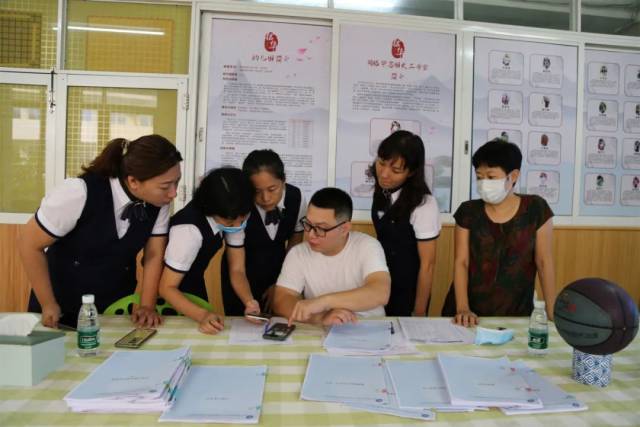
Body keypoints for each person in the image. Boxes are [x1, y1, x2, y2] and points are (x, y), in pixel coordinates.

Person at [18, 134, 183, 328]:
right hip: (60, 308)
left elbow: (154, 255)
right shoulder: (78, 192)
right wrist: (48, 304)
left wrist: (147, 305)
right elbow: (29, 245)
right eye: (165, 186)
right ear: (133, 181)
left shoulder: (159, 204)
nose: (174, 193)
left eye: (177, 182)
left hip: (115, 310)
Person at [442, 138, 556, 326]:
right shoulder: (468, 212)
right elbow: (461, 262)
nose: (483, 183)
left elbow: (544, 262)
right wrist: (463, 308)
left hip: (517, 313)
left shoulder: (536, 209)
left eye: (491, 177)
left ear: (513, 176)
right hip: (469, 315)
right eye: (479, 177)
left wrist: (552, 311)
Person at [159, 167, 257, 335]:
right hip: (168, 299)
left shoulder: (234, 212)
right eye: (230, 222)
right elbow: (166, 287)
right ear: (211, 211)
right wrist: (202, 314)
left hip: (195, 286)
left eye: (243, 219)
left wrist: (249, 302)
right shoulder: (189, 230)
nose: (237, 226)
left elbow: (237, 269)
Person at [272, 188, 391, 326]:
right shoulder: (299, 253)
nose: (310, 234)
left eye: (321, 228)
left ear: (344, 228)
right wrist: (321, 317)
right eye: (308, 224)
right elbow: (282, 299)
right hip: (322, 330)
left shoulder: (367, 246)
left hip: (368, 327)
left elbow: (380, 292)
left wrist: (324, 302)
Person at [220, 150, 306, 315]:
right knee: (242, 327)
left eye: (272, 189)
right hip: (241, 276)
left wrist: (282, 284)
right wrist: (248, 302)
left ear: (284, 181)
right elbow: (236, 268)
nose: (265, 198)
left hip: (280, 271)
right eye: (256, 191)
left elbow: (295, 244)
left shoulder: (297, 197)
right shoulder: (239, 205)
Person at [370, 131, 440, 316]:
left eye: (396, 170)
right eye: (381, 163)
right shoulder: (383, 190)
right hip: (381, 283)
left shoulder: (424, 204)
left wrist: (419, 311)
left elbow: (428, 265)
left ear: (412, 172)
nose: (384, 174)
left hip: (408, 291)